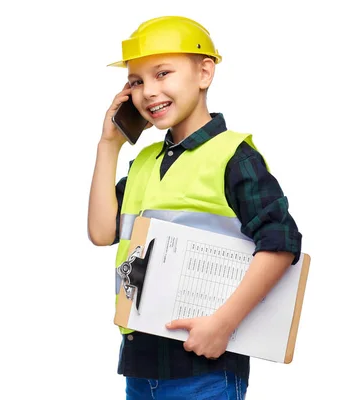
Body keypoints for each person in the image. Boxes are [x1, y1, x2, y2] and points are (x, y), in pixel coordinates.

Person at [87, 15, 302, 399]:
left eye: (162, 73)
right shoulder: (146, 163)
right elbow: (102, 232)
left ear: (205, 72)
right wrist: (109, 146)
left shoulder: (233, 157)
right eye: (136, 81)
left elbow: (281, 242)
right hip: (140, 365)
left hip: (204, 366)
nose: (148, 92)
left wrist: (223, 323)